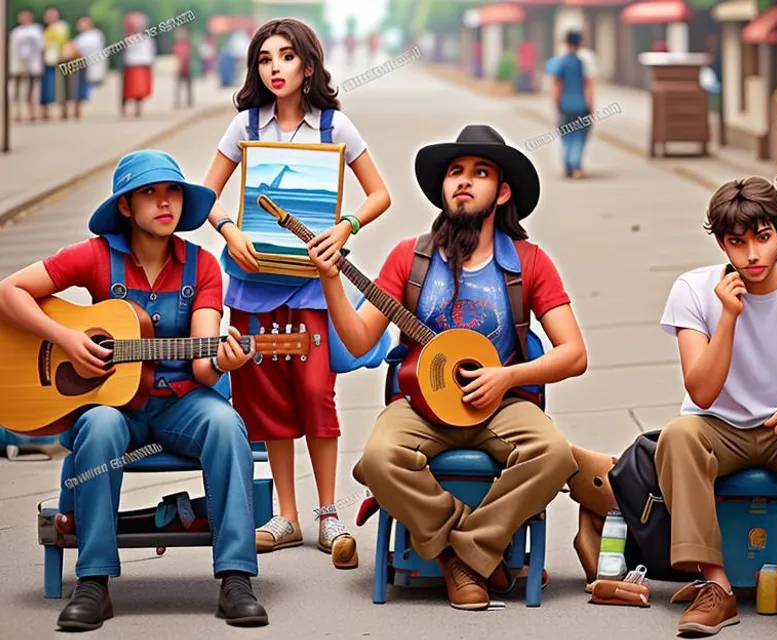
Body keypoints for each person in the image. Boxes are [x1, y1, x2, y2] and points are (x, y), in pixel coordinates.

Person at [308, 124, 585, 610]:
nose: (464, 180)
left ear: (501, 193)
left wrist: (507, 376)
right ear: (442, 188)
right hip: (418, 405)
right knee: (376, 459)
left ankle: (461, 554)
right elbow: (356, 340)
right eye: (456, 171)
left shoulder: (528, 263)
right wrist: (330, 280)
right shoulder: (410, 258)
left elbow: (574, 354)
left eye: (480, 173)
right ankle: (474, 555)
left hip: (500, 403)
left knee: (554, 454)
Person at [0, 150, 268, 631]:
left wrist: (222, 361)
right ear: (126, 206)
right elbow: (9, 292)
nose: (165, 203)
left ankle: (235, 578)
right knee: (98, 427)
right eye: (150, 193)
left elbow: (205, 368)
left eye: (172, 193)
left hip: (182, 403)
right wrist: (67, 339)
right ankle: (94, 582)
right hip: (114, 404)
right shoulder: (96, 255)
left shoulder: (203, 267)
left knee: (227, 425)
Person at [202, 18, 391, 568]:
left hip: (313, 284)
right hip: (253, 282)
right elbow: (204, 196)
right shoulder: (244, 125)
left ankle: (328, 513)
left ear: (308, 66)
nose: (274, 67)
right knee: (262, 392)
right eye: (265, 59)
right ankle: (285, 514)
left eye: (285, 57)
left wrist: (347, 227)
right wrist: (229, 230)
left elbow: (379, 194)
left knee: (313, 390)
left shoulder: (335, 126)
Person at [656, 177, 777, 638]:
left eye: (763, 238)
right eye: (737, 242)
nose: (751, 255)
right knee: (678, 435)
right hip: (715, 428)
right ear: (722, 244)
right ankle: (716, 586)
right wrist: (728, 315)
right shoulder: (693, 289)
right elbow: (701, 393)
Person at [546, 30, 595, 179]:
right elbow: (588, 85)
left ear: (565, 43)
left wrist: (556, 102)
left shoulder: (559, 62)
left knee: (566, 135)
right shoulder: (581, 63)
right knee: (579, 136)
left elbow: (556, 84)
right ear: (579, 44)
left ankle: (568, 165)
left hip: (565, 105)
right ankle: (576, 166)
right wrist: (590, 105)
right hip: (580, 105)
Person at [9, 10, 44, 123]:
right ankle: (17, 112)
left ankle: (32, 112)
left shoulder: (36, 30)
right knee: (17, 91)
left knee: (33, 90)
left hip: (33, 65)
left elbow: (41, 46)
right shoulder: (16, 32)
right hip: (18, 65)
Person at [121, 12, 155, 118]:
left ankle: (138, 109)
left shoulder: (146, 38)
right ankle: (124, 108)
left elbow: (150, 52)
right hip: (132, 65)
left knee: (139, 91)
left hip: (142, 65)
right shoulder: (129, 38)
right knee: (128, 90)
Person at [173, 28, 194, 109]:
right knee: (180, 85)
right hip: (181, 67)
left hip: (186, 67)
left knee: (187, 85)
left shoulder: (186, 44)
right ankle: (178, 101)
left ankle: (189, 101)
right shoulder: (179, 45)